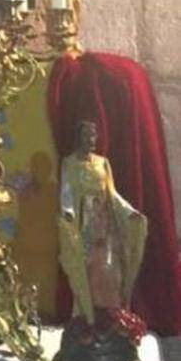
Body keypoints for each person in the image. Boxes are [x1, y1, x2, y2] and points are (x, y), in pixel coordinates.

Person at [58, 119, 147, 326]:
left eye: (94, 135)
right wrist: (68, 213)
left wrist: (130, 212)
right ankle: (86, 319)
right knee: (87, 271)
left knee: (110, 270)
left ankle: (111, 317)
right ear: (79, 137)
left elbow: (112, 194)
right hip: (84, 223)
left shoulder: (102, 162)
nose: (92, 140)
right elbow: (66, 194)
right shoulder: (69, 163)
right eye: (87, 135)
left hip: (105, 224)